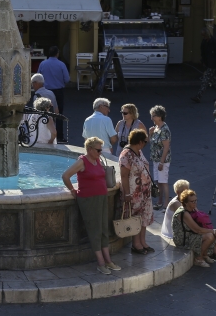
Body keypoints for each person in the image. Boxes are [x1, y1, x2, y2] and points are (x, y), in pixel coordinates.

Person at [61, 137, 121, 274]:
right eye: (98, 150)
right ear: (90, 149)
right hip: (88, 200)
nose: (101, 152)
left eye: (101, 150)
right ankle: (101, 263)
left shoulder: (97, 160)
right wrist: (72, 190)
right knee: (95, 230)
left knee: (103, 228)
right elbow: (65, 176)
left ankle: (108, 261)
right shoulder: (82, 162)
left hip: (101, 198)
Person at [119, 129, 154, 255]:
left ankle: (143, 242)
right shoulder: (126, 154)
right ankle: (136, 244)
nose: (145, 144)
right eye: (145, 141)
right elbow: (124, 176)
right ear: (139, 142)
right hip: (135, 193)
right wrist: (127, 194)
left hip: (145, 193)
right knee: (135, 218)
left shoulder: (138, 151)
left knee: (144, 218)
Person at [172, 189, 216, 268]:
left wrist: (212, 231)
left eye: (196, 200)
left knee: (211, 234)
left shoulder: (192, 208)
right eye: (192, 201)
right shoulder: (184, 213)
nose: (195, 203)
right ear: (185, 203)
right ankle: (198, 259)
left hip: (190, 234)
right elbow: (197, 230)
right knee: (210, 236)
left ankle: (204, 255)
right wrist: (213, 231)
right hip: (182, 239)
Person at [38, 46, 70, 142]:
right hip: (58, 90)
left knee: (43, 112)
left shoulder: (43, 64)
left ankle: (42, 134)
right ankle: (59, 135)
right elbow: (67, 79)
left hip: (46, 91)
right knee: (58, 113)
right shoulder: (61, 64)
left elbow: (38, 76)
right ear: (57, 53)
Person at [191, 27, 216, 103]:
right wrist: (203, 62)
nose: (203, 37)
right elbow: (203, 54)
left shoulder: (214, 42)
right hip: (209, 64)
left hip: (213, 64)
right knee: (214, 82)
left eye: (204, 35)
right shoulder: (205, 42)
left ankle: (199, 96)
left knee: (205, 80)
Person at [149, 105, 171, 210]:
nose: (151, 118)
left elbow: (166, 147)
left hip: (162, 160)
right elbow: (151, 142)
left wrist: (162, 162)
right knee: (158, 181)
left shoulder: (164, 129)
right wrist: (150, 133)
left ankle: (166, 203)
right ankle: (160, 201)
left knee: (163, 181)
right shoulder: (156, 128)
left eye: (153, 116)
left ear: (159, 117)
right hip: (155, 159)